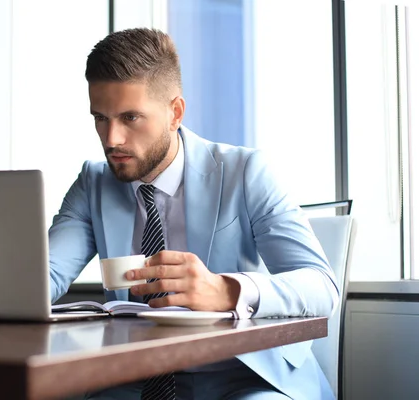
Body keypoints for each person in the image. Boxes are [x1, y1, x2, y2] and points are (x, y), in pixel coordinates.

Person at [48, 28, 339, 400]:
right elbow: (47, 274)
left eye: (130, 117)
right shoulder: (94, 182)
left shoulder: (246, 172)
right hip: (132, 379)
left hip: (243, 378)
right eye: (100, 118)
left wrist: (226, 289)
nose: (111, 139)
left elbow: (321, 288)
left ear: (175, 113)